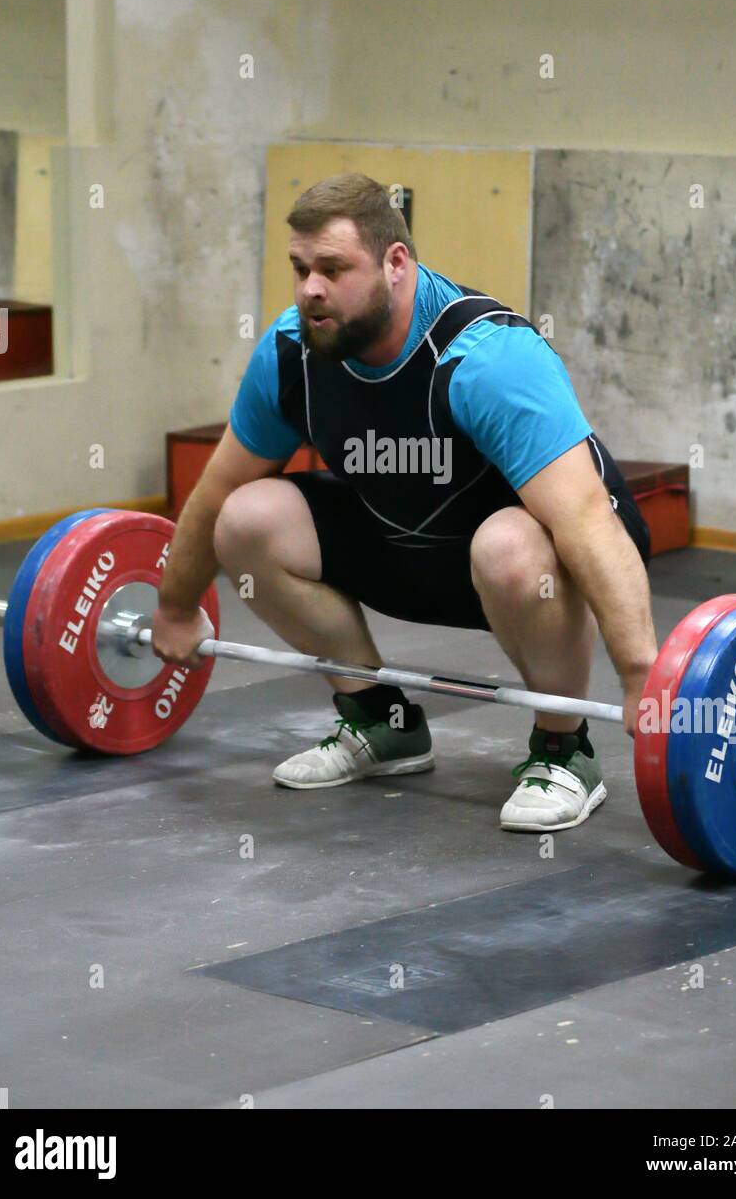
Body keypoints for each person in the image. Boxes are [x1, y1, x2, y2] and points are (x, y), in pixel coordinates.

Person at [151, 173, 657, 833]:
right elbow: (215, 492)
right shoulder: (292, 354)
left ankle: (563, 749)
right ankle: (381, 723)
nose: (311, 289)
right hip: (409, 548)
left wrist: (644, 672)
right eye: (301, 269)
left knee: (508, 544)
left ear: (396, 264)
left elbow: (585, 519)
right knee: (247, 518)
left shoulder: (483, 357)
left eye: (333, 269)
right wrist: (173, 605)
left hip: (533, 568)